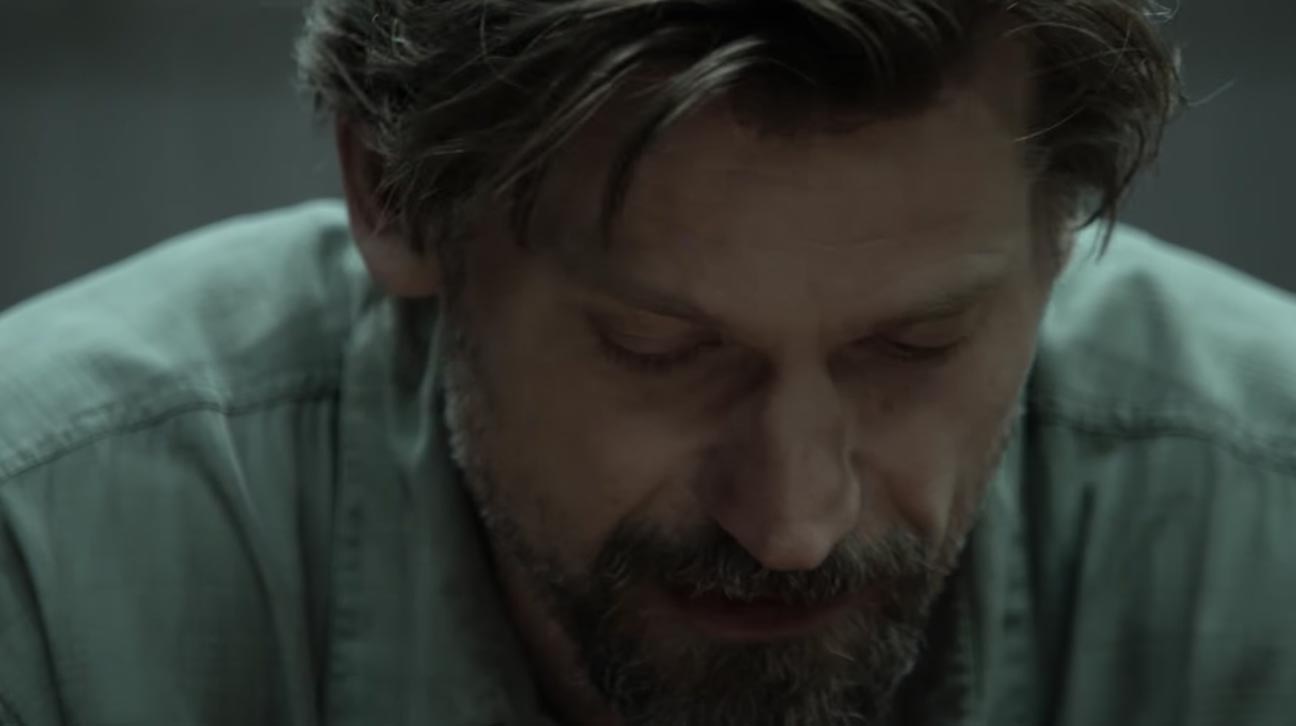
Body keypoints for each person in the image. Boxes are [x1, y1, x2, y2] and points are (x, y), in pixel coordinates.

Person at [1, 1, 1294, 724]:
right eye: (659, 349)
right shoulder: (47, 577)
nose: (792, 522)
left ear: (1059, 234)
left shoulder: (1266, 528)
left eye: (914, 346)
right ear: (393, 193)